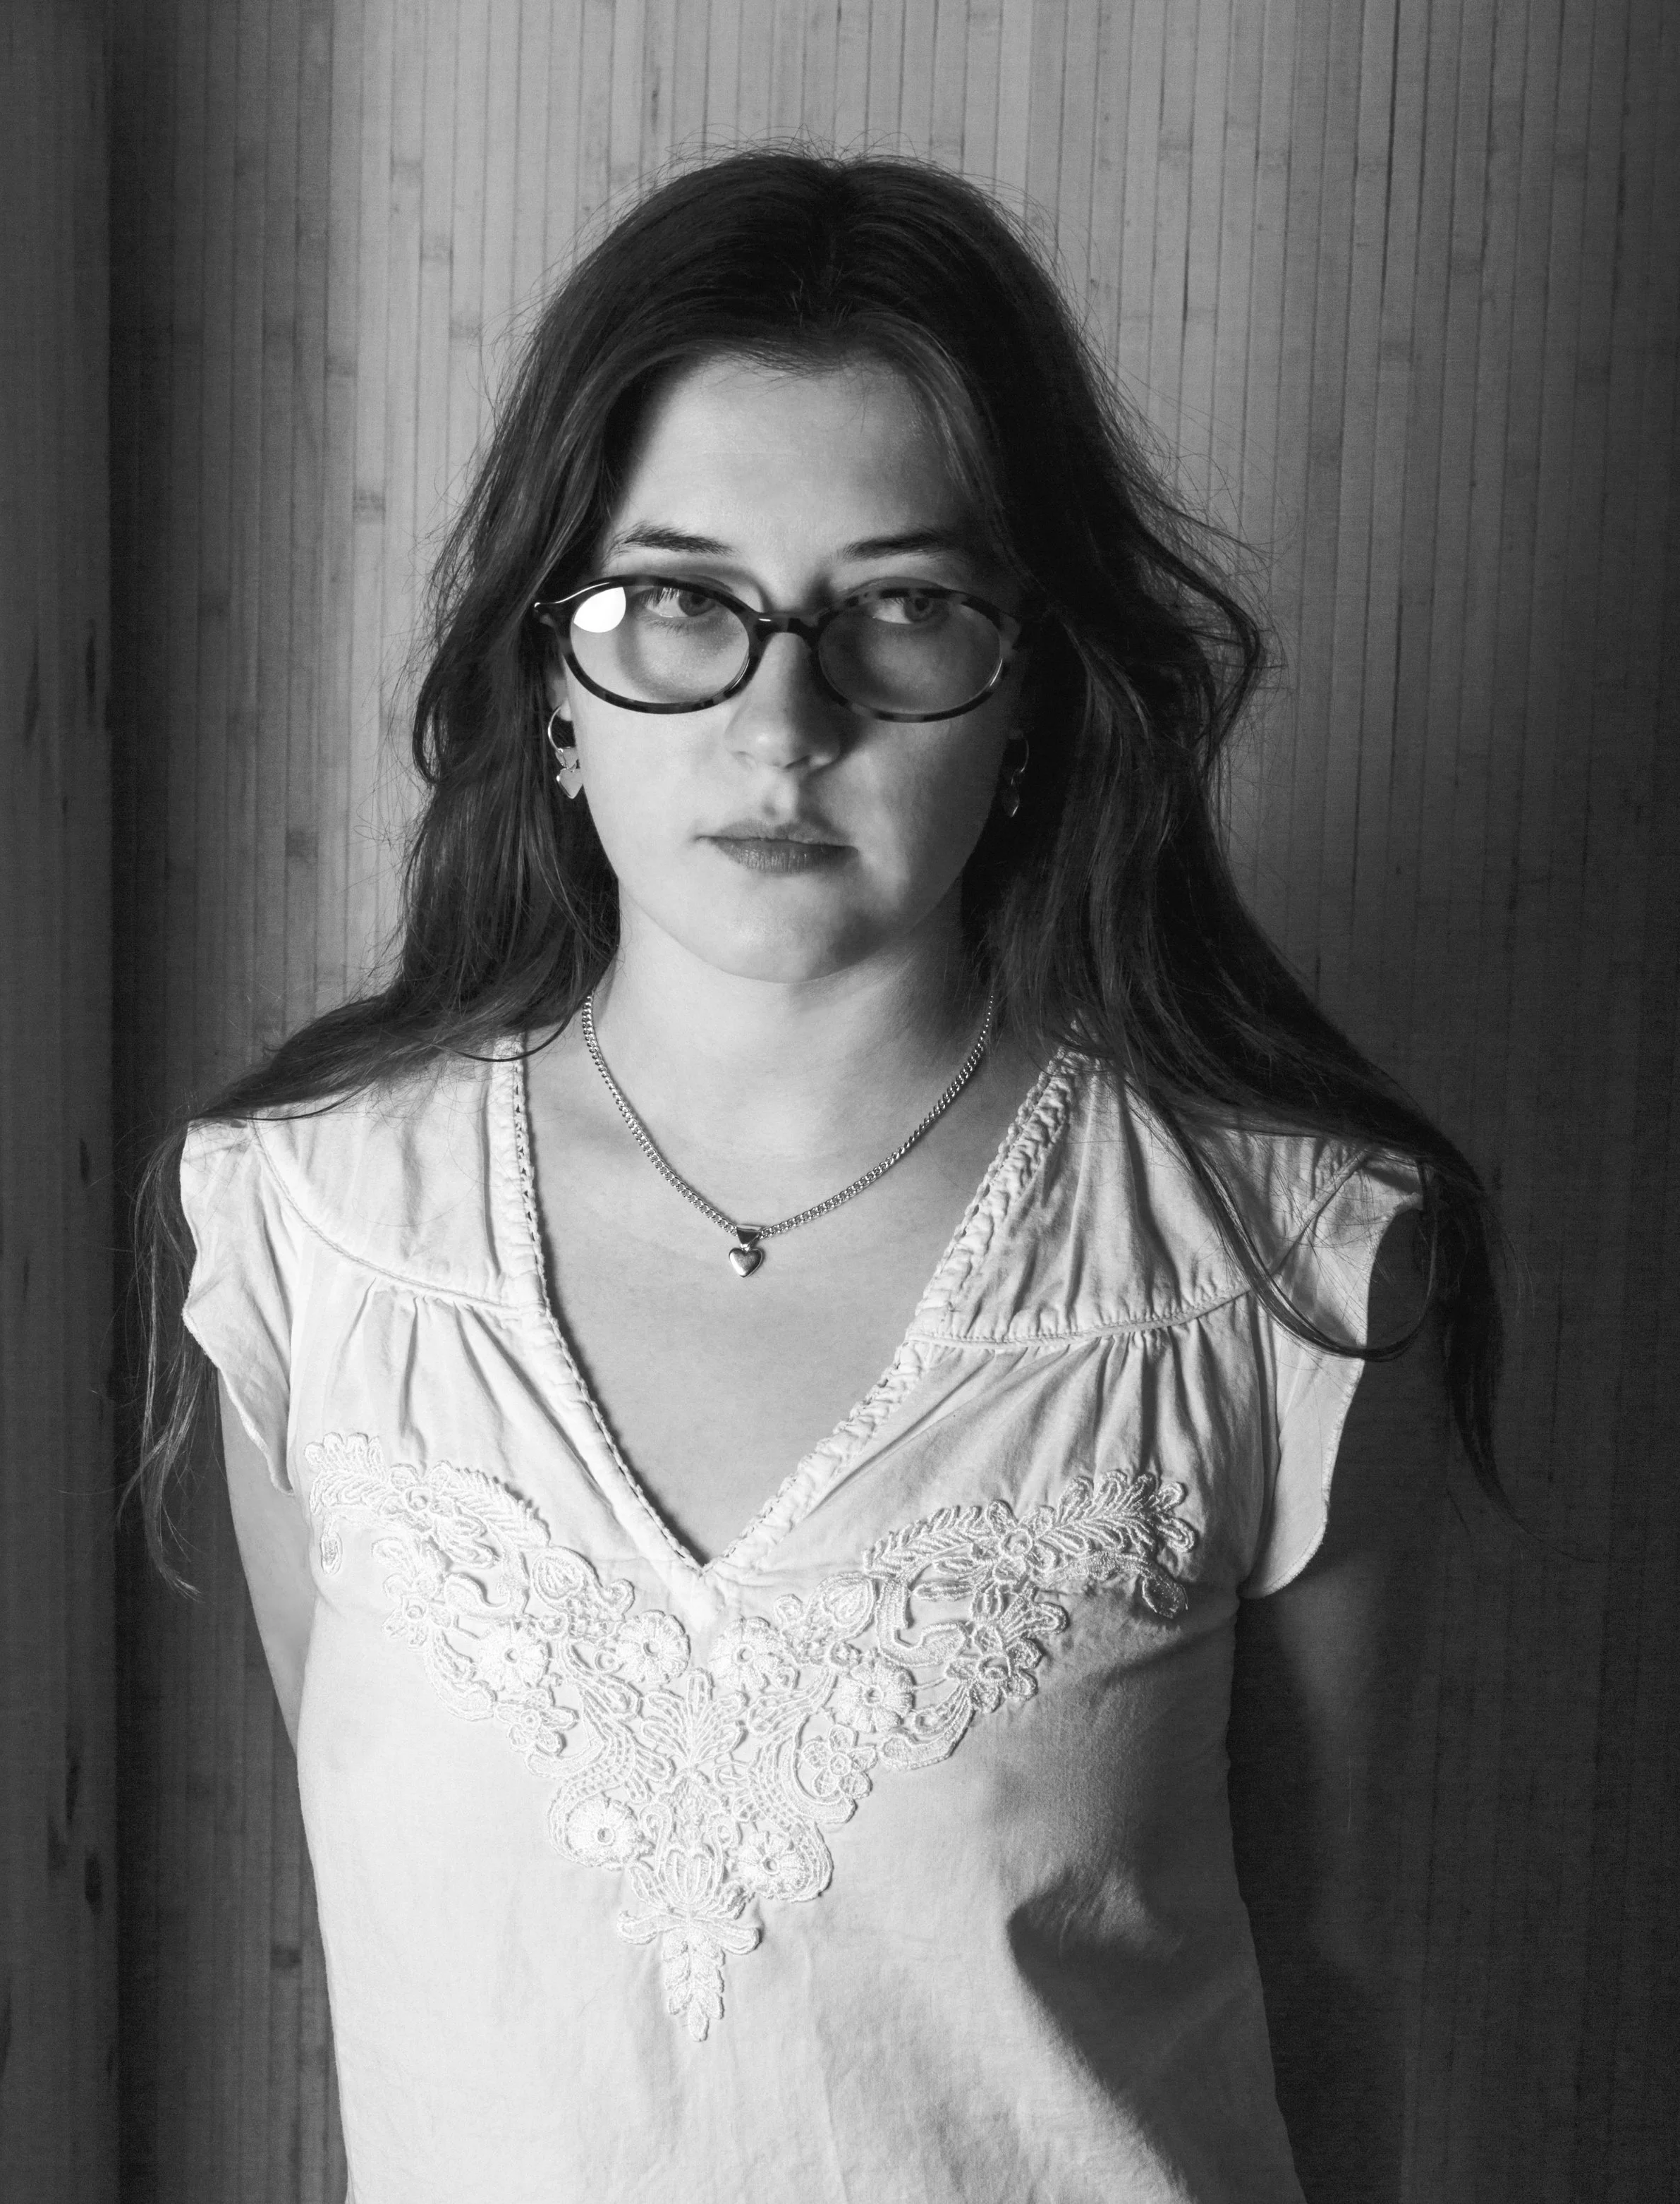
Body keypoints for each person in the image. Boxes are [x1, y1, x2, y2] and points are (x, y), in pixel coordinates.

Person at [133, 148, 1502, 2204]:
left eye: (903, 608)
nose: (783, 720)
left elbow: (1325, 1994)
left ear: (1030, 688)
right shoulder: (315, 1238)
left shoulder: (1282, 1272)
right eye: (679, 599)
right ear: (548, 683)